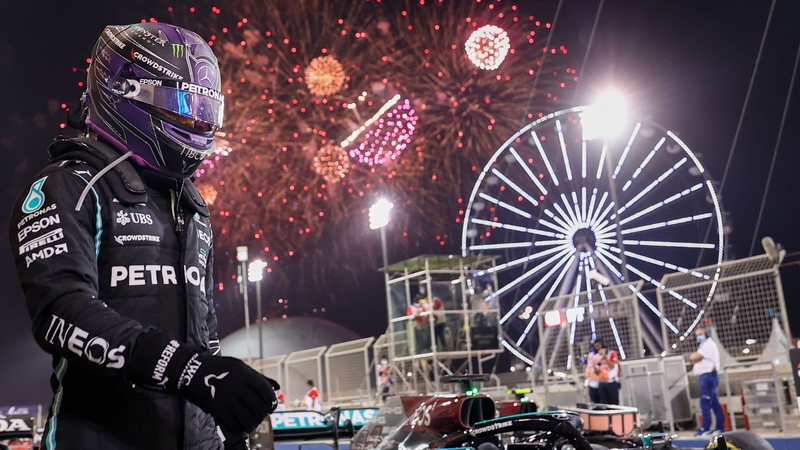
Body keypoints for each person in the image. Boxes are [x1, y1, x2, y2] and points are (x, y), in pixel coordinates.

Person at [8, 23, 279, 449]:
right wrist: (189, 370)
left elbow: (204, 333)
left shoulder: (191, 205)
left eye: (203, 110)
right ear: (123, 91)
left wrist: (226, 429)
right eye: (180, 105)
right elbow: (61, 312)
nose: (194, 121)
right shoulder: (70, 186)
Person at [690, 326, 725, 436]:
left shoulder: (708, 345)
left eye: (700, 334)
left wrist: (693, 358)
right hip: (706, 377)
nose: (698, 337)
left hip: (708, 377)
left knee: (705, 403)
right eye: (697, 335)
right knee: (714, 403)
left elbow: (694, 357)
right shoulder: (703, 345)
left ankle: (705, 427)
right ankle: (719, 427)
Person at [585, 339, 620, 404]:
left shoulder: (611, 353)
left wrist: (604, 356)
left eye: (598, 346)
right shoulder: (594, 356)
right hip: (601, 382)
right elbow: (596, 369)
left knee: (614, 403)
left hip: (611, 382)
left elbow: (612, 366)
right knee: (603, 404)